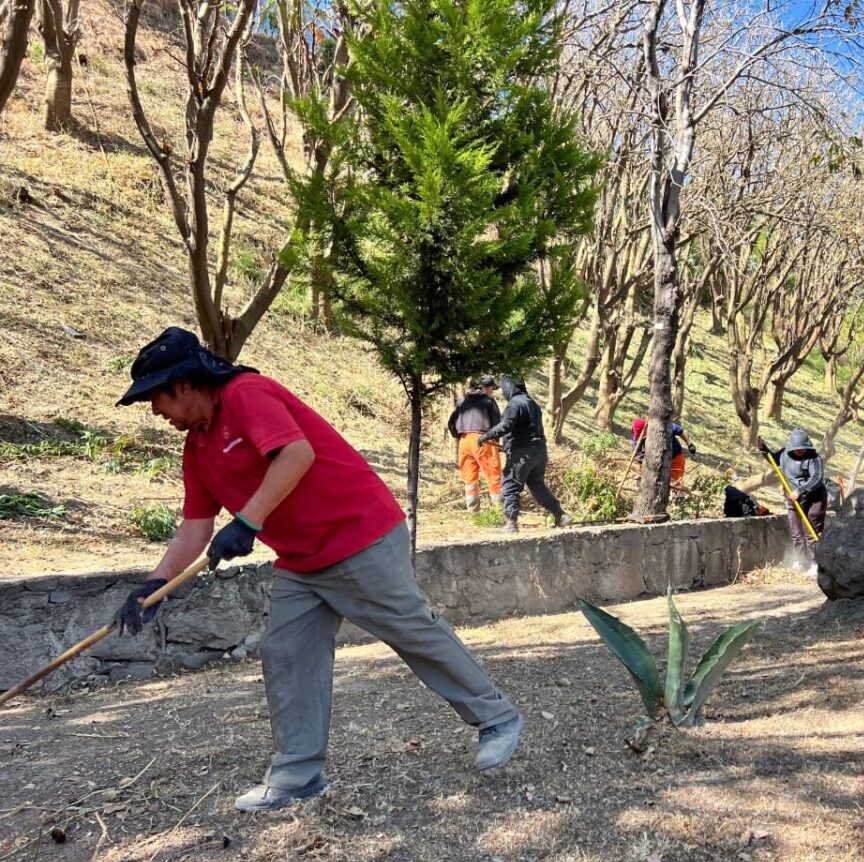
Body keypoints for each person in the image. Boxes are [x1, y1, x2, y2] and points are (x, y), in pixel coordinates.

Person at [113, 328, 524, 813]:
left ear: (183, 385)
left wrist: (247, 521)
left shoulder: (246, 394)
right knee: (287, 650)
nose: (154, 411)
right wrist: (155, 585)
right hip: (302, 560)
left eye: (155, 398)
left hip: (359, 535)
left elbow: (296, 453)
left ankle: (497, 718)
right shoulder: (197, 449)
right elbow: (195, 526)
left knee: (410, 628)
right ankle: (297, 775)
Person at [478, 375, 571, 533]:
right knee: (537, 486)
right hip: (539, 451)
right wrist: (507, 446)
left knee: (510, 484)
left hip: (523, 452)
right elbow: (526, 429)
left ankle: (510, 524)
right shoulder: (532, 403)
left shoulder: (515, 403)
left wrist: (486, 435)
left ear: (509, 387)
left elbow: (506, 425)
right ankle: (561, 515)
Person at [756, 428, 827, 573]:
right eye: (797, 448)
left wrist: (800, 490)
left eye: (802, 448)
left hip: (814, 498)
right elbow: (773, 459)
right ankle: (801, 562)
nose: (800, 451)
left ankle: (816, 564)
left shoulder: (814, 458)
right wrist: (763, 448)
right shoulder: (785, 454)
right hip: (794, 499)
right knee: (796, 532)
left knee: (811, 531)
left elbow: (817, 478)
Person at [447, 376, 502, 512]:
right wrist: (496, 441)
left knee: (469, 479)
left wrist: (460, 436)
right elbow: (498, 425)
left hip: (464, 441)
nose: (492, 391)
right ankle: (500, 511)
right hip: (484, 440)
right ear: (483, 388)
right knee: (494, 476)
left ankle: (473, 512)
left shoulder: (461, 401)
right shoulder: (489, 401)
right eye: (491, 388)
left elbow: (451, 423)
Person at [631, 417, 696, 487]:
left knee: (674, 484)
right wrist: (641, 472)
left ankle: (677, 492)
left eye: (643, 435)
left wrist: (689, 444)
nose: (641, 438)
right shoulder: (637, 441)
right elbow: (639, 459)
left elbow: (682, 432)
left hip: (675, 458)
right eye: (639, 436)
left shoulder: (662, 426)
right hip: (656, 463)